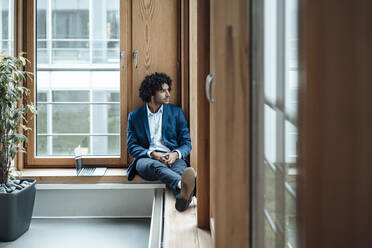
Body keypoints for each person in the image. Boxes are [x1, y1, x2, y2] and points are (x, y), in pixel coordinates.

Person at [126, 72, 196, 211]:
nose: (168, 94)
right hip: (146, 159)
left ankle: (182, 199)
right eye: (163, 90)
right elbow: (132, 147)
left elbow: (187, 143)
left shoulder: (176, 112)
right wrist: (153, 154)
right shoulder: (135, 116)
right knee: (155, 166)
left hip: (173, 157)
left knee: (180, 170)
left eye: (168, 90)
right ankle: (186, 186)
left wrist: (175, 154)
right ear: (152, 93)